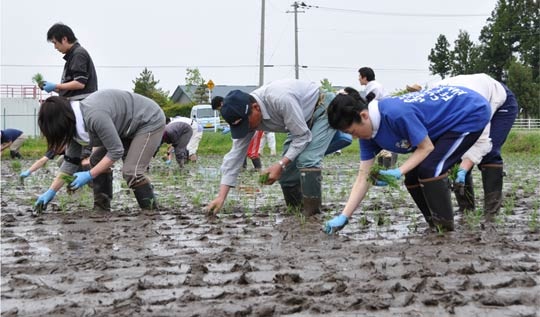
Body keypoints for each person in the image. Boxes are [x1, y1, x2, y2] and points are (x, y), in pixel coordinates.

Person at [324, 85, 491, 234]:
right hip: (442, 121)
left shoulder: (395, 114)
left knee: (431, 169)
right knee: (412, 176)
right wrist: (344, 216)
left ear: (364, 115)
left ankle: (445, 229)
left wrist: (398, 171)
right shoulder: (368, 136)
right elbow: (363, 177)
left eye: (352, 131)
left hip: (469, 111)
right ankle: (434, 224)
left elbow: (426, 147)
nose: (354, 137)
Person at [206, 79, 344, 216]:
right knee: (287, 173)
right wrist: (221, 197)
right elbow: (235, 156)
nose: (247, 129)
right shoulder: (246, 117)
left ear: (255, 107)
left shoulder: (280, 99)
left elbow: (302, 136)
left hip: (322, 108)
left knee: (307, 159)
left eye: (246, 124)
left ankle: (313, 214)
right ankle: (295, 211)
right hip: (300, 120)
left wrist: (280, 164)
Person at [34, 89, 166, 212]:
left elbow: (116, 151)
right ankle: (102, 208)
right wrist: (51, 192)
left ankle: (150, 212)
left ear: (61, 124)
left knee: (132, 171)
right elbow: (70, 163)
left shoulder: (94, 116)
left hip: (148, 120)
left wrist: (89, 174)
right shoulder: (73, 127)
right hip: (125, 128)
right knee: (96, 160)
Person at [431, 73, 518, 221]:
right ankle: (467, 211)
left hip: (500, 102)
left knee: (490, 152)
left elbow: (482, 141)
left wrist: (464, 168)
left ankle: (491, 212)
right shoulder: (433, 101)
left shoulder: (476, 104)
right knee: (456, 154)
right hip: (466, 96)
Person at [42, 23, 98, 100]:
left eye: (55, 43)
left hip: (82, 105)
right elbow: (69, 89)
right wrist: (52, 88)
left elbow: (79, 83)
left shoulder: (78, 54)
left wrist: (55, 86)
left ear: (64, 39)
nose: (55, 47)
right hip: (77, 104)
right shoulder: (73, 55)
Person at [358, 66, 396, 168]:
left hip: (383, 116)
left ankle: (387, 160)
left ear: (365, 77)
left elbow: (370, 102)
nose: (358, 79)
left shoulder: (374, 87)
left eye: (360, 76)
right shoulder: (372, 86)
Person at [212, 95, 263, 170]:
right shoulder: (228, 110)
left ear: (221, 103)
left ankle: (258, 169)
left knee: (252, 152)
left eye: (218, 109)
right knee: (242, 149)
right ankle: (243, 167)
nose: (220, 111)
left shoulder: (235, 105)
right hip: (245, 129)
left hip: (255, 127)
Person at [19, 146, 92, 181]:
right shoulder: (56, 146)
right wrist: (29, 171)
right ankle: (74, 182)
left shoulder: (77, 143)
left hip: (93, 163)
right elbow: (42, 160)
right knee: (61, 160)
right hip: (77, 163)